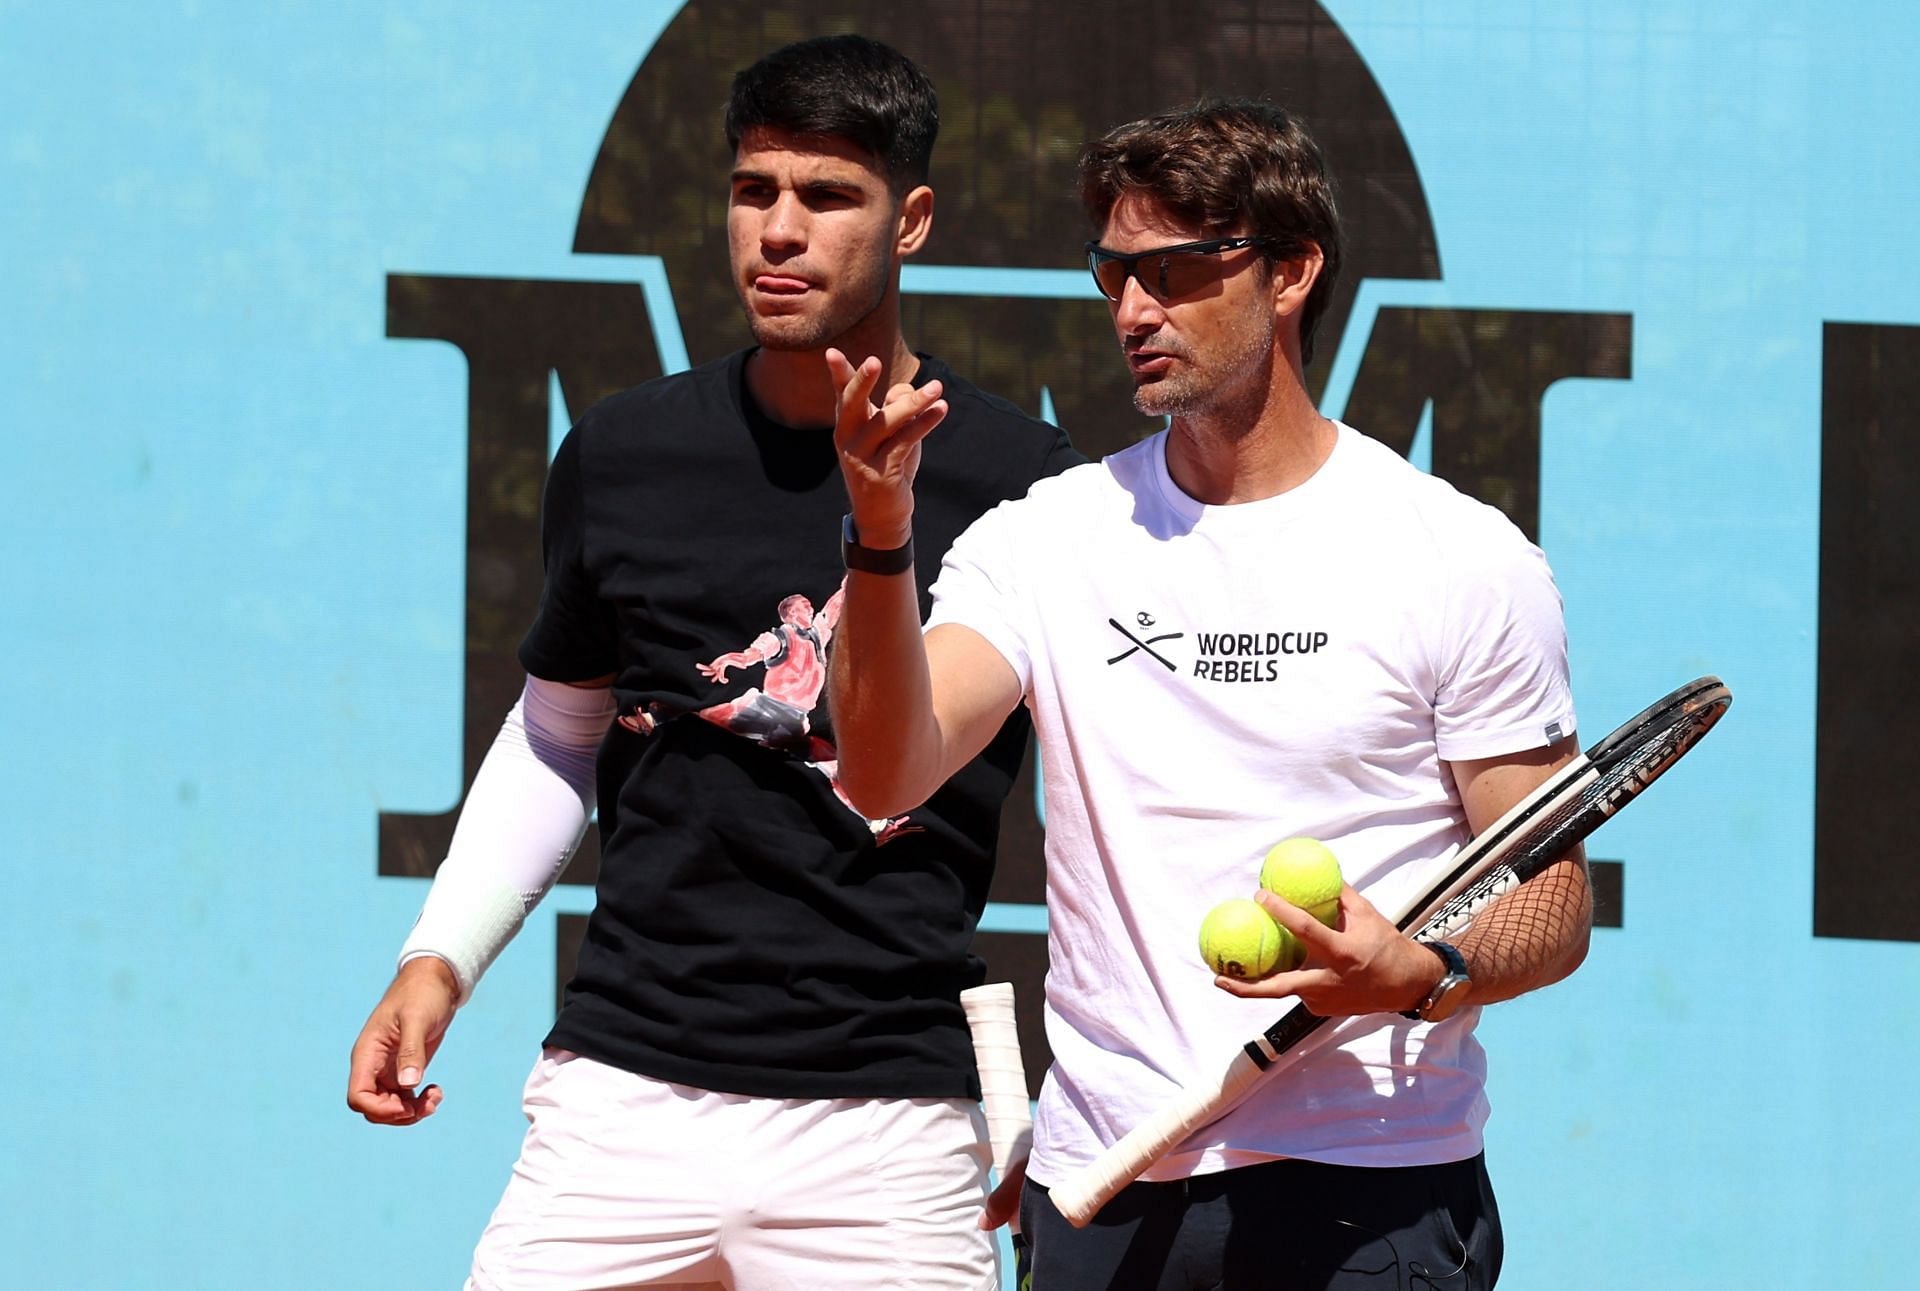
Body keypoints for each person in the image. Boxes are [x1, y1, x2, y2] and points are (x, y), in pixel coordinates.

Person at [345, 34, 1080, 1291]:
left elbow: (1112, 810)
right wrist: (439, 955)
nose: (778, 232)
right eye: (754, 192)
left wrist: (1064, 1093)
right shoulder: (625, 452)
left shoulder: (1028, 491)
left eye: (826, 197)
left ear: (910, 221)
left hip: (892, 1121)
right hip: (621, 1093)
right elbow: (556, 734)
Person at [826, 98, 1592, 1289]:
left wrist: (1421, 976)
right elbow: (882, 769)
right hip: (1109, 1190)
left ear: (1290, 272)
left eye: (1177, 270)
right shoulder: (1045, 539)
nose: (1135, 309)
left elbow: (1549, 898)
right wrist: (881, 536)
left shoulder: (1462, 557)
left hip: (1372, 1188)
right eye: (1115, 273)